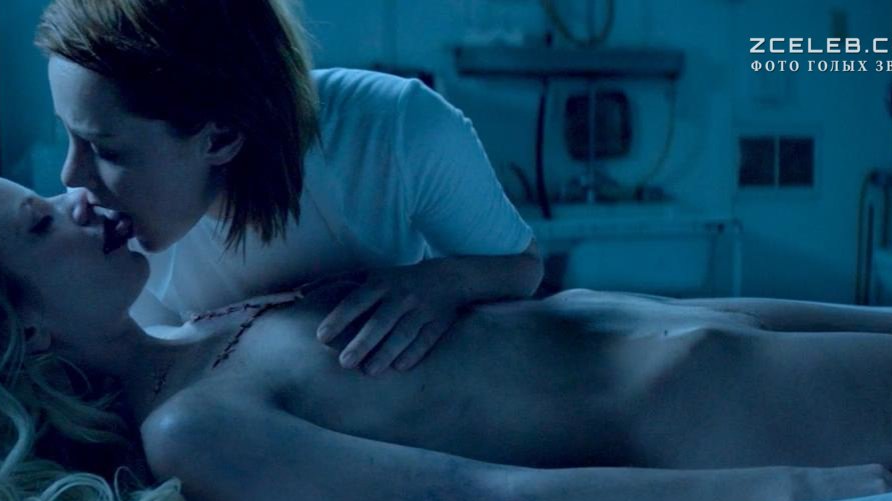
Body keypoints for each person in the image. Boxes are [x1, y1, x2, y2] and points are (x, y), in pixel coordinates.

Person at [0, 157, 892, 501]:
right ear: (16, 331)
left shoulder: (200, 309)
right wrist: (802, 493)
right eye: (39, 222)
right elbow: (484, 496)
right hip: (711, 405)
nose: (77, 196)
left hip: (692, 324)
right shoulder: (192, 430)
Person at [34, 0, 544, 376]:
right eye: (68, 136)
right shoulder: (110, 236)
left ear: (222, 137)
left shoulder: (394, 128)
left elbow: (522, 266)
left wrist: (444, 281)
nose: (71, 178)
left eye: (106, 150)